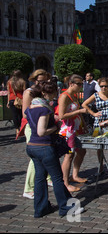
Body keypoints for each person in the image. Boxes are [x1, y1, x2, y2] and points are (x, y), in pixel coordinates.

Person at [25, 81, 83, 218]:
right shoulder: (44, 109)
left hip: (32, 147)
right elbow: (41, 131)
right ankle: (66, 207)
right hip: (44, 147)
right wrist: (56, 127)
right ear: (46, 93)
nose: (55, 96)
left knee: (40, 178)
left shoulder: (30, 107)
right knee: (57, 178)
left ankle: (40, 209)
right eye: (53, 93)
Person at [22, 69, 52, 200]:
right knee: (35, 158)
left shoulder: (43, 91)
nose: (44, 83)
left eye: (46, 80)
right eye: (41, 81)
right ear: (34, 80)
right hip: (32, 127)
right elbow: (25, 113)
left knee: (47, 153)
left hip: (44, 125)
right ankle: (28, 188)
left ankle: (47, 177)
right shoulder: (29, 92)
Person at [58, 74, 88, 192]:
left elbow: (79, 113)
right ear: (71, 84)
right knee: (69, 155)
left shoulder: (74, 96)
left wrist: (84, 125)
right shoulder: (64, 96)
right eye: (79, 84)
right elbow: (61, 116)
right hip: (68, 129)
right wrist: (79, 111)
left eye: (82, 84)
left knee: (81, 151)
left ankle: (75, 175)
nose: (81, 86)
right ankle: (65, 183)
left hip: (77, 127)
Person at [7, 70, 26, 136]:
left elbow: (9, 92)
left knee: (14, 115)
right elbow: (24, 92)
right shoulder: (22, 82)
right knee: (20, 115)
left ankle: (17, 129)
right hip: (21, 99)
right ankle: (21, 127)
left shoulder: (9, 82)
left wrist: (8, 102)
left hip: (12, 99)